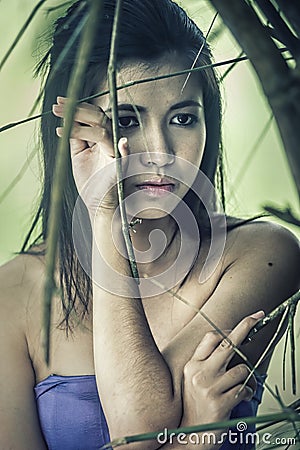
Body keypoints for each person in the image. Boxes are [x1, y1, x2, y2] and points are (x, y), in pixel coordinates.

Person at [0, 0, 299, 449]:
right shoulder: (15, 294)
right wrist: (189, 439)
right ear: (76, 133)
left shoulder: (260, 255)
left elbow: (137, 426)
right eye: (126, 120)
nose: (160, 151)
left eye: (183, 118)